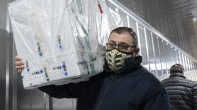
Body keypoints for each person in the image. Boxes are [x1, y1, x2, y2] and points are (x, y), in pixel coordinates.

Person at [16, 27, 170, 110]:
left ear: (135, 51)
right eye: (111, 44)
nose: (115, 50)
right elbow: (59, 89)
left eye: (123, 46)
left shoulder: (151, 86)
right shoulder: (94, 75)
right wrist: (30, 71)